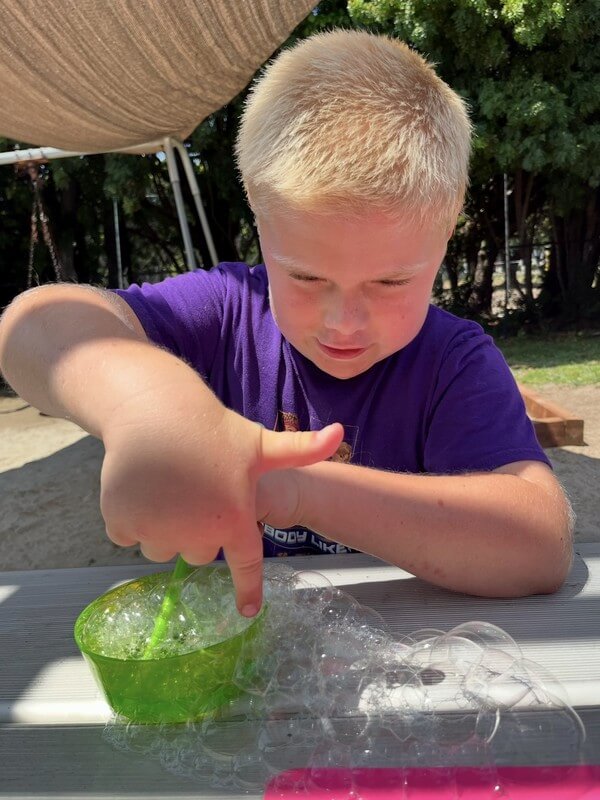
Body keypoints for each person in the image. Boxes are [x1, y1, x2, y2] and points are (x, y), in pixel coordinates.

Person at [0, 30, 573, 618]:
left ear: (447, 231)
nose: (344, 321)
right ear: (259, 217)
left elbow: (538, 546)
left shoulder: (453, 362)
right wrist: (145, 407)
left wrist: (297, 491)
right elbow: (30, 324)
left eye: (391, 282)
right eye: (305, 278)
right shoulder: (226, 312)